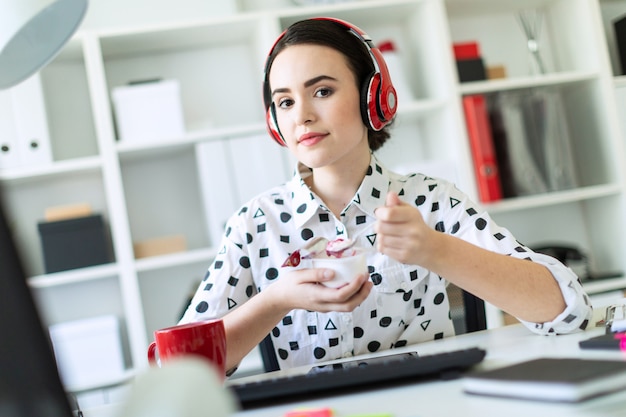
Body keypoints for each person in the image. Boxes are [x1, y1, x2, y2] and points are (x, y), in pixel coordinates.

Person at [180, 17, 593, 375]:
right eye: (284, 101)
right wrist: (277, 300)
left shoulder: (431, 201)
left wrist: (436, 249)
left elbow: (568, 312)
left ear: (371, 96)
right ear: (275, 122)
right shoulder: (255, 224)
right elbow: (180, 370)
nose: (301, 114)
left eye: (322, 91)